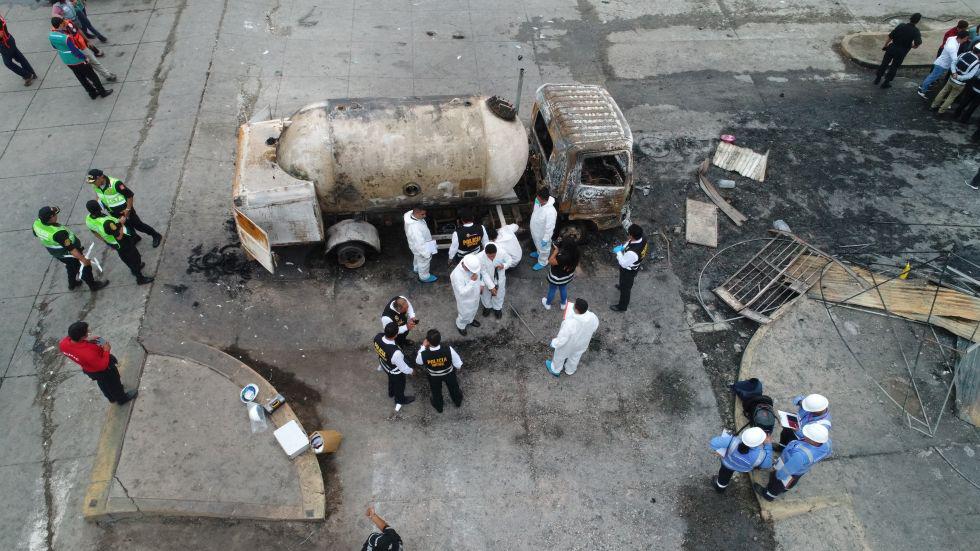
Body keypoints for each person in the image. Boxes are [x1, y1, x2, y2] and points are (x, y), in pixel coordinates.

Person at [33, 206, 109, 292]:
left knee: (71, 267)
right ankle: (93, 285)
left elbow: (36, 234)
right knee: (84, 268)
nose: (56, 215)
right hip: (68, 254)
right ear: (51, 218)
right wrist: (83, 260)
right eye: (54, 214)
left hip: (57, 253)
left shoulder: (37, 224)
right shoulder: (58, 233)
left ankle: (72, 283)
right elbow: (72, 249)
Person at [60, 321, 137, 404]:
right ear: (82, 337)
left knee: (103, 383)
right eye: (87, 331)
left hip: (89, 369)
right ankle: (122, 399)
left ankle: (111, 398)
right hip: (104, 369)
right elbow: (102, 366)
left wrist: (88, 339)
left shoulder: (63, 344)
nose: (89, 331)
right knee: (114, 383)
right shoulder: (88, 354)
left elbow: (88, 344)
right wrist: (106, 350)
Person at [756, 424, 831, 501]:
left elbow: (786, 470)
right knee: (792, 481)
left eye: (807, 435)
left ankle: (768, 495)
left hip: (787, 467)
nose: (804, 434)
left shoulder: (800, 456)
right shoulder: (827, 442)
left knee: (777, 484)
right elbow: (826, 453)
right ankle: (786, 488)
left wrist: (777, 475)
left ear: (813, 440)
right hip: (799, 470)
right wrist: (798, 431)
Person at [85, 200, 153, 285]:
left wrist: (106, 241)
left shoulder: (89, 219)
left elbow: (95, 233)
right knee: (134, 258)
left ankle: (134, 269)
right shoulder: (107, 223)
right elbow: (119, 236)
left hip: (113, 243)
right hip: (122, 242)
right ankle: (140, 278)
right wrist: (121, 223)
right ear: (99, 208)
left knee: (125, 257)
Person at [88, 169, 162, 246]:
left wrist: (128, 209)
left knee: (138, 225)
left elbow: (129, 196)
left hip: (125, 211)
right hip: (113, 213)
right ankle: (135, 238)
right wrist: (99, 203)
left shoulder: (115, 184)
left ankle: (156, 235)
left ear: (100, 177)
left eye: (94, 181)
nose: (92, 183)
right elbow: (98, 194)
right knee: (126, 227)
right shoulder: (95, 185)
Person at [49, 17, 111, 99]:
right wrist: (84, 58)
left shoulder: (51, 35)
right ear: (60, 24)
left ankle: (92, 93)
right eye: (62, 23)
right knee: (93, 76)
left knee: (81, 78)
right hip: (77, 61)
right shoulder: (65, 38)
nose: (64, 24)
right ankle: (102, 92)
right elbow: (74, 50)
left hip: (67, 61)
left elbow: (54, 46)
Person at [709, 427, 773, 493]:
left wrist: (718, 451)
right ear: (760, 443)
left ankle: (720, 489)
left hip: (727, 464)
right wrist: (768, 445)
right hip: (743, 468)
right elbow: (767, 465)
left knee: (723, 477)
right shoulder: (761, 455)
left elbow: (713, 442)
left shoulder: (733, 441)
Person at [546, 298, 599, 377]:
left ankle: (555, 369)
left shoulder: (570, 323)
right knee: (575, 357)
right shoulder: (592, 317)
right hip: (582, 343)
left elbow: (562, 338)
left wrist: (554, 343)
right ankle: (570, 370)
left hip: (569, 345)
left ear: (576, 309)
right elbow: (594, 327)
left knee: (560, 356)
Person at [415, 329, 463, 413]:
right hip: (449, 374)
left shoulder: (423, 354)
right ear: (440, 339)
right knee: (454, 388)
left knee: (436, 391)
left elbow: (418, 362)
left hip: (433, 376)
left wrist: (423, 347)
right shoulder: (448, 349)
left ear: (428, 342)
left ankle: (439, 407)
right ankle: (457, 401)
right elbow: (458, 364)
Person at [56, 16, 114, 82]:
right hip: (75, 52)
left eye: (64, 19)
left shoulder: (69, 23)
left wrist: (87, 41)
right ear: (59, 24)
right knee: (87, 69)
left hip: (82, 47)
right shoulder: (59, 33)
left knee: (94, 62)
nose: (65, 21)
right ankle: (98, 81)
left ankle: (107, 75)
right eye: (63, 21)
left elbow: (78, 30)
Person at [874, 13, 922, 89]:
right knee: (894, 67)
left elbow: (890, 36)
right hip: (902, 52)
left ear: (910, 18)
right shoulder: (916, 31)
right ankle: (886, 83)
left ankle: (877, 79)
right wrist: (910, 46)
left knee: (884, 63)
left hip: (892, 48)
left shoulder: (901, 26)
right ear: (917, 21)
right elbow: (917, 44)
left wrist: (885, 45)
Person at [373, 322, 415, 406]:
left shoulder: (377, 337)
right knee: (399, 385)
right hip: (395, 372)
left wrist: (406, 327)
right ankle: (400, 400)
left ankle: (391, 392)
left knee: (391, 379)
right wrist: (412, 371)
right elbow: (403, 368)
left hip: (385, 364)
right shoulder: (395, 353)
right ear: (395, 335)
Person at [918, 30, 970, 98]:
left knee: (933, 76)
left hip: (942, 62)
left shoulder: (953, 38)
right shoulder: (952, 47)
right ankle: (922, 90)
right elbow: (955, 60)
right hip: (942, 65)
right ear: (961, 37)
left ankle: (924, 86)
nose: (966, 40)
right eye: (966, 38)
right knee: (932, 77)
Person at [931, 43, 980, 114]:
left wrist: (954, 73)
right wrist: (959, 77)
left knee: (943, 92)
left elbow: (953, 63)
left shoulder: (963, 54)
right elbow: (970, 76)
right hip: (960, 83)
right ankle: (941, 111)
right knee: (951, 97)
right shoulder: (976, 63)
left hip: (951, 78)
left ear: (973, 48)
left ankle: (933, 106)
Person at [610, 224, 649, 312]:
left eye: (628, 234)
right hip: (635, 265)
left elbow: (623, 263)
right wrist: (623, 247)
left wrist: (618, 252)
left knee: (626, 289)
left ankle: (622, 307)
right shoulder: (642, 237)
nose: (628, 235)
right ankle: (622, 286)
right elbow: (629, 241)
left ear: (631, 236)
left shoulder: (633, 253)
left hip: (628, 270)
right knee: (623, 281)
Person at [450, 254, 483, 336]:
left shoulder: (473, 262)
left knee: (474, 309)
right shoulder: (456, 275)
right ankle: (461, 325)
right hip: (465, 300)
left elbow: (481, 273)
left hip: (475, 295)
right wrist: (472, 281)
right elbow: (462, 292)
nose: (474, 272)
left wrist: (481, 284)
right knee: (464, 314)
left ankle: (470, 320)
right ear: (466, 266)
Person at [0, 14, 37, 86]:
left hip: (5, 45)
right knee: (19, 57)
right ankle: (31, 73)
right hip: (9, 40)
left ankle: (27, 75)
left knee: (8, 63)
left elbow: (1, 34)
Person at [541, 239, 578, 311]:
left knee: (552, 289)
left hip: (556, 277)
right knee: (563, 288)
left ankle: (547, 304)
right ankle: (563, 304)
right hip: (567, 276)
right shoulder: (576, 253)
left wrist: (555, 252)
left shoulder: (563, 257)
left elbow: (550, 261)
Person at [403, 206, 437, 283]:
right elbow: (419, 243)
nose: (425, 216)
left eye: (425, 214)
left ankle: (416, 268)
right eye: (422, 214)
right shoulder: (415, 227)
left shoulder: (411, 217)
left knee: (417, 257)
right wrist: (426, 254)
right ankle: (424, 277)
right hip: (421, 247)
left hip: (415, 246)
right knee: (424, 261)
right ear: (416, 213)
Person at [478, 244, 510, 319]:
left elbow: (509, 260)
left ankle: (497, 308)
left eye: (493, 256)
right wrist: (491, 287)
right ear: (485, 253)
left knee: (499, 293)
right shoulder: (480, 257)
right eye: (489, 256)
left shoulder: (502, 252)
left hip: (499, 278)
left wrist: (504, 265)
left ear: (496, 252)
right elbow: (483, 272)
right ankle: (487, 306)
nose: (491, 258)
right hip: (486, 278)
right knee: (485, 293)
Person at [529, 186, 557, 271]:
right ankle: (538, 252)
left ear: (542, 199)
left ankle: (542, 262)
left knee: (544, 249)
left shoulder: (551, 212)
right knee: (537, 244)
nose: (536, 199)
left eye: (538, 198)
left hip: (543, 235)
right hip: (536, 232)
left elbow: (550, 228)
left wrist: (545, 239)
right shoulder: (539, 202)